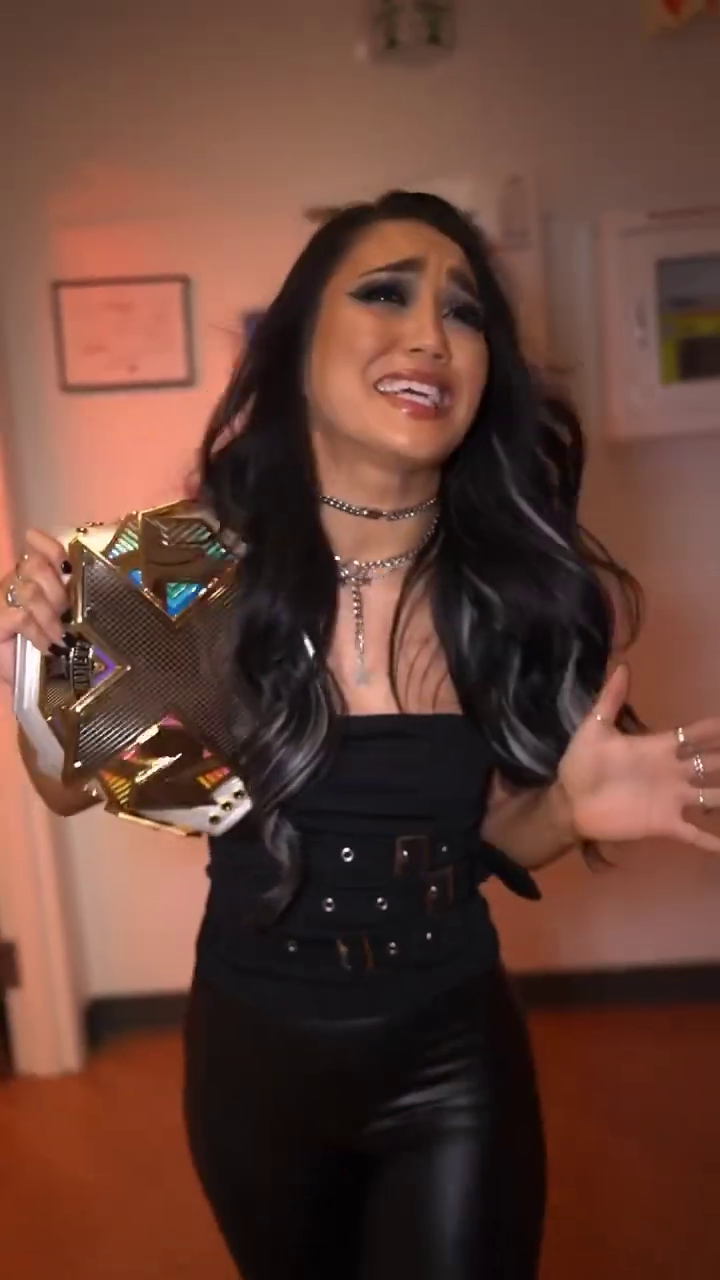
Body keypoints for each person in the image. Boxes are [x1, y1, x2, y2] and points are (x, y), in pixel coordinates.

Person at [2, 190, 719, 1280]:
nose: (430, 333)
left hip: (452, 1060)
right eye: (386, 294)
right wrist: (45, 661)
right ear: (296, 348)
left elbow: (495, 840)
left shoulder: (507, 585)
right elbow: (64, 786)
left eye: (465, 313)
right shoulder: (182, 562)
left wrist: (567, 809)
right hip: (251, 1063)